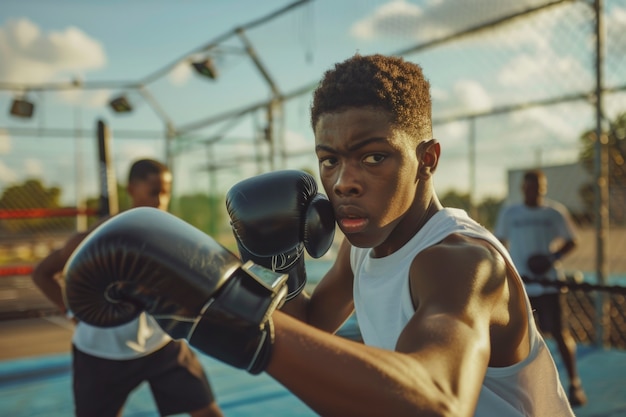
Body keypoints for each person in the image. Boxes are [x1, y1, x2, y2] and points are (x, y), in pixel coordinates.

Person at [63, 55, 576, 417]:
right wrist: (276, 268)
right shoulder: (362, 247)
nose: (342, 181)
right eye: (329, 159)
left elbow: (439, 400)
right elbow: (310, 323)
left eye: (373, 156)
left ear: (427, 159)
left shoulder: (461, 261)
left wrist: (225, 309)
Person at [32, 158, 224, 417]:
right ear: (132, 189)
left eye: (166, 192)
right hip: (100, 354)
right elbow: (42, 273)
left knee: (208, 412)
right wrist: (73, 310)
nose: (161, 200)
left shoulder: (170, 234)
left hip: (160, 345)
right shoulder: (100, 235)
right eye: (154, 192)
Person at [494, 169, 587, 407]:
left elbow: (572, 240)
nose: (534, 190)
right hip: (522, 285)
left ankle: (574, 383)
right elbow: (500, 244)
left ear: (543, 188)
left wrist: (551, 257)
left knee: (559, 332)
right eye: (529, 186)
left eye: (538, 186)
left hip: (549, 285)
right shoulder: (510, 213)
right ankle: (526, 389)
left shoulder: (554, 212)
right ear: (523, 188)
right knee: (521, 339)